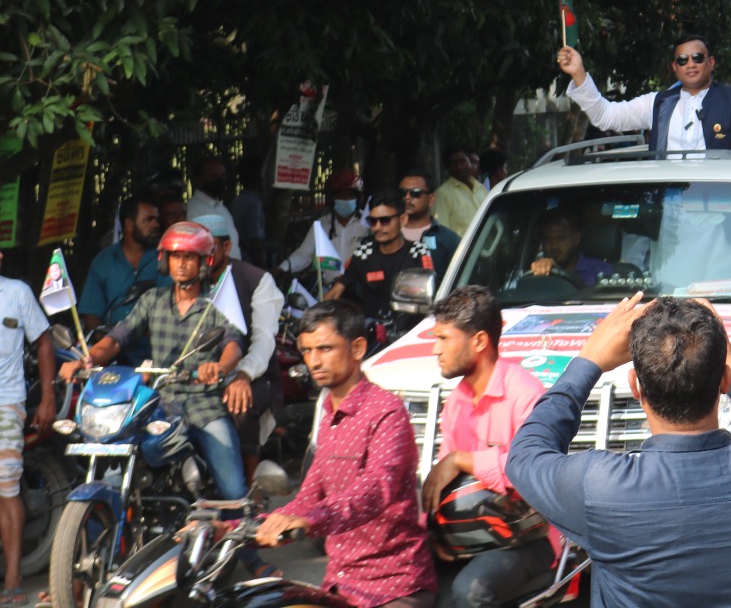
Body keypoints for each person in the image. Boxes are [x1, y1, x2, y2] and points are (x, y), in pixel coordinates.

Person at [508, 295, 731, 608]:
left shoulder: (602, 488)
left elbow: (524, 455)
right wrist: (730, 361)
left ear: (636, 388)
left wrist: (589, 360)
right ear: (724, 380)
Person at [62, 223, 270, 576]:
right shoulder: (153, 300)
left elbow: (233, 344)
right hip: (159, 403)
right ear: (164, 260)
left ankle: (252, 559)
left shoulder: (217, 303)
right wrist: (88, 359)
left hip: (203, 404)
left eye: (188, 257)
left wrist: (219, 367)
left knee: (232, 486)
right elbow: (118, 338)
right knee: (114, 469)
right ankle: (77, 569)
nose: (181, 264)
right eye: (174, 256)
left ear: (204, 262)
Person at [257, 300, 436, 607]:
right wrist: (234, 527)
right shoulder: (329, 414)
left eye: (325, 348)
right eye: (307, 351)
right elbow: (308, 498)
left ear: (357, 348)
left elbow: (376, 487)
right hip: (341, 583)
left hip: (393, 585)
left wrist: (312, 520)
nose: (314, 361)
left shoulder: (387, 412)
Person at [422, 287, 551, 608]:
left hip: (529, 535)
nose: (436, 350)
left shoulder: (525, 393)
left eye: (444, 339)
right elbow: (446, 486)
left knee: (471, 591)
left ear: (479, 341)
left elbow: (539, 470)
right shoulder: (457, 400)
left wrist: (464, 460)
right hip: (470, 529)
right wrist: (435, 532)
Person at [559, 33, 731, 155]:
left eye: (697, 57)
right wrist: (579, 73)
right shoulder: (656, 103)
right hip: (669, 217)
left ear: (711, 62)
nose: (690, 64)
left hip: (726, 219)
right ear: (675, 67)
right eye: (682, 60)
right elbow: (606, 117)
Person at [192, 214, 285, 484]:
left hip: (250, 372)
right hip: (193, 373)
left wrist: (243, 375)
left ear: (227, 247)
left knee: (240, 403)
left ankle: (249, 488)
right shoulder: (185, 280)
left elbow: (264, 340)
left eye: (209, 249)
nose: (201, 257)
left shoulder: (256, 279)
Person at [0, 245, 54, 601]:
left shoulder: (17, 293)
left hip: (6, 402)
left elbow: (45, 343)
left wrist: (48, 397)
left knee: (6, 488)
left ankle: (13, 577)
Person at [80, 196, 169, 364]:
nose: (156, 224)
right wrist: (103, 344)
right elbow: (91, 314)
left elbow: (168, 309)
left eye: (157, 219)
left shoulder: (164, 260)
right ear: (129, 224)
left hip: (155, 356)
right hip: (112, 357)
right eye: (148, 220)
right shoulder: (103, 262)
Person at [326, 191, 431, 325]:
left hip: (408, 331)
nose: (377, 227)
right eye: (373, 221)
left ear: (403, 220)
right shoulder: (363, 253)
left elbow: (428, 299)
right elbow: (335, 292)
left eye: (385, 220)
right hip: (370, 330)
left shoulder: (418, 251)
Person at [282, 168, 369, 287]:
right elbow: (304, 254)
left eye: (350, 196)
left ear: (359, 198)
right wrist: (283, 268)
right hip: (328, 288)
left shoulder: (369, 223)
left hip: (362, 288)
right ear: (331, 199)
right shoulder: (321, 225)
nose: (346, 199)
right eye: (341, 196)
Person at [527, 206, 614, 286]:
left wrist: (557, 273)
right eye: (547, 239)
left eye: (560, 238)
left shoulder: (600, 271)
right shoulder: (535, 273)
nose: (554, 246)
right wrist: (541, 273)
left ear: (576, 239)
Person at [398, 173, 462, 281]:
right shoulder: (387, 234)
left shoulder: (449, 239)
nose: (407, 197)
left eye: (415, 193)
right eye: (402, 193)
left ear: (431, 199)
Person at [187, 156, 240, 258]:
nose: (220, 180)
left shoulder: (222, 208)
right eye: (213, 176)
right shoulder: (193, 210)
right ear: (198, 180)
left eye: (222, 176)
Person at [434, 146, 488, 239]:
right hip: (463, 248)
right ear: (447, 168)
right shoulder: (442, 194)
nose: (459, 167)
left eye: (462, 161)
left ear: (470, 162)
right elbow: (440, 231)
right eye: (453, 164)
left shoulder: (481, 188)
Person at [230, 156, 268, 265]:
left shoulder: (238, 200)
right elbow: (255, 241)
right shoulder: (253, 204)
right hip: (249, 260)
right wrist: (263, 268)